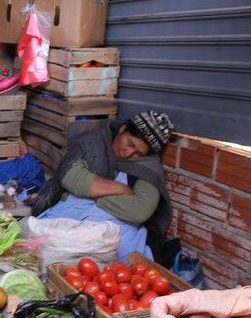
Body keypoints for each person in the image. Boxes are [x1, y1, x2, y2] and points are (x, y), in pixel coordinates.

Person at [31, 110, 174, 263]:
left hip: (114, 224)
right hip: (74, 211)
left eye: (138, 153)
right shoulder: (93, 143)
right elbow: (71, 177)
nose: (128, 153)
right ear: (122, 129)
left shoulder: (148, 167)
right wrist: (120, 189)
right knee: (45, 243)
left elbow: (139, 210)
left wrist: (93, 193)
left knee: (121, 253)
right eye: (130, 144)